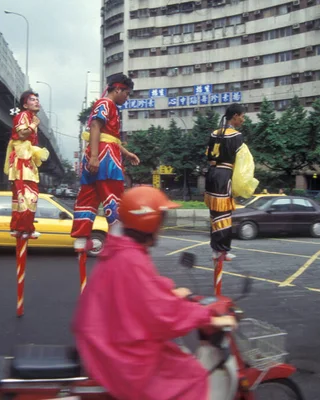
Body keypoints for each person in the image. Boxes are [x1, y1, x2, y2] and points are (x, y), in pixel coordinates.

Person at [73, 186, 237, 400]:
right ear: (149, 222)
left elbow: (140, 290)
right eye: (161, 221)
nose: (162, 227)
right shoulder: (130, 259)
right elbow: (160, 313)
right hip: (121, 356)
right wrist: (209, 318)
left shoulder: (121, 250)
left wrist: (168, 289)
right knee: (191, 375)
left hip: (107, 342)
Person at [71, 73, 140, 252]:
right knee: (113, 196)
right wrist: (96, 156)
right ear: (118, 89)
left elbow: (108, 136)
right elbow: (95, 127)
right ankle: (117, 239)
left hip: (98, 154)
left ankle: (80, 238)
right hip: (105, 158)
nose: (127, 97)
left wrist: (126, 153)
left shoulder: (107, 105)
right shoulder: (106, 104)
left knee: (88, 196)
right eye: (127, 93)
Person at [204, 103, 257, 261]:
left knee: (214, 213)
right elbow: (242, 163)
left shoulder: (214, 133)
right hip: (224, 175)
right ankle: (222, 250)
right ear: (235, 116)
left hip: (212, 174)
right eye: (242, 116)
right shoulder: (236, 136)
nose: (243, 120)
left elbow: (208, 156)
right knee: (224, 213)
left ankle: (216, 249)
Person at [4, 90, 49, 239]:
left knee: (21, 196)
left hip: (25, 161)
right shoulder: (23, 116)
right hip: (22, 162)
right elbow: (22, 134)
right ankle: (25, 229)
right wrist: (33, 125)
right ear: (25, 104)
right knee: (29, 195)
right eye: (32, 100)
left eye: (37, 99)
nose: (36, 102)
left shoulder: (30, 117)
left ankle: (20, 228)